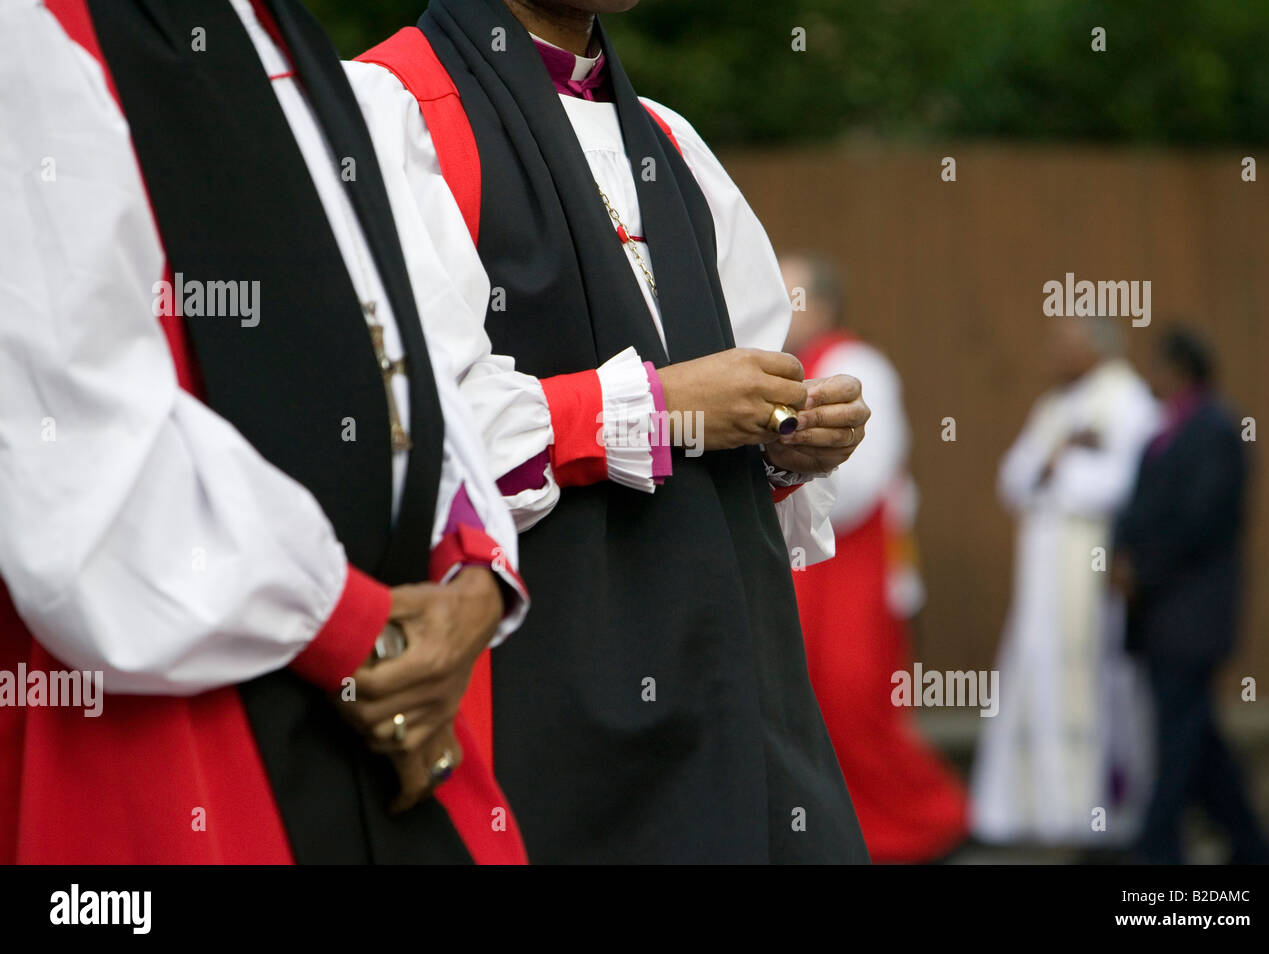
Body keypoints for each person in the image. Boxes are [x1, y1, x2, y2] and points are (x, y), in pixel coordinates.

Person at [0, 0, 529, 864]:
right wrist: (361, 627)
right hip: (186, 713)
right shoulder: (34, 27)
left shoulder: (279, 27)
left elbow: (390, 347)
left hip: (386, 684)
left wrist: (473, 571)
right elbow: (73, 444)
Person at [345, 0, 872, 862]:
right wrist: (660, 408)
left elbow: (745, 387)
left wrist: (789, 438)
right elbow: (401, 421)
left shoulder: (672, 145)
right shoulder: (389, 108)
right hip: (528, 692)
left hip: (726, 683)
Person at [780, 252, 969, 863]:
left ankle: (926, 824)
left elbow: (861, 480)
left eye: (793, 297)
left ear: (825, 305)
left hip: (851, 565)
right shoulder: (785, 369)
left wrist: (780, 477)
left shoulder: (858, 366)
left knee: (854, 701)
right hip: (808, 566)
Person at [970, 317, 1159, 846]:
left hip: (1092, 564)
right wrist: (1056, 462)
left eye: (1065, 345)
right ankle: (1032, 810)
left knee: (1090, 677)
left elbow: (1129, 482)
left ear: (1097, 349)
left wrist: (1059, 472)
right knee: (1036, 672)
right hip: (1044, 574)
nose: (1053, 355)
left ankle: (1091, 813)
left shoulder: (1128, 401)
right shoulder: (1055, 406)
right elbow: (1014, 477)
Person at [1114, 328, 1269, 864]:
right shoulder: (1163, 431)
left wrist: (1143, 570)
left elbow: (1203, 521)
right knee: (1197, 736)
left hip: (1193, 611)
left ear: (1182, 369)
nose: (1151, 377)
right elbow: (1135, 508)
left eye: (1159, 366)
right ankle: (1252, 846)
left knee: (1179, 742)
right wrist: (1119, 556)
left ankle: (1156, 850)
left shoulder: (1215, 429)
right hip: (1159, 614)